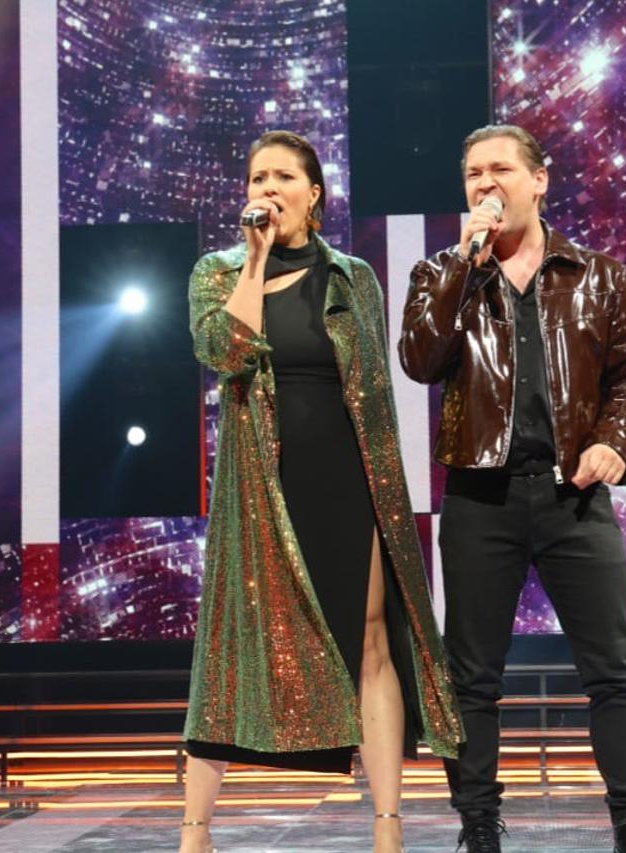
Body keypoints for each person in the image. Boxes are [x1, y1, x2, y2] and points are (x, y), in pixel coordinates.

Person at [181, 130, 462, 853]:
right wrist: (254, 260)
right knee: (229, 646)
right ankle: (195, 830)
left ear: (314, 195)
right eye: (257, 177)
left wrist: (384, 493)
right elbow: (225, 351)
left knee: (371, 639)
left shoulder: (352, 277)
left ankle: (388, 823)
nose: (266, 188)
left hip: (345, 476)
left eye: (282, 177)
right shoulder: (218, 270)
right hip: (260, 483)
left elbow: (373, 393)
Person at [398, 125, 626, 853]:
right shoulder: (442, 272)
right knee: (472, 677)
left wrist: (612, 441)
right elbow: (420, 360)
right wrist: (463, 264)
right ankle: (479, 827)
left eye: (500, 169)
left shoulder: (597, 276)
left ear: (539, 180)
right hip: (479, 498)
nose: (485, 184)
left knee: (615, 673)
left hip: (573, 497)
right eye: (473, 173)